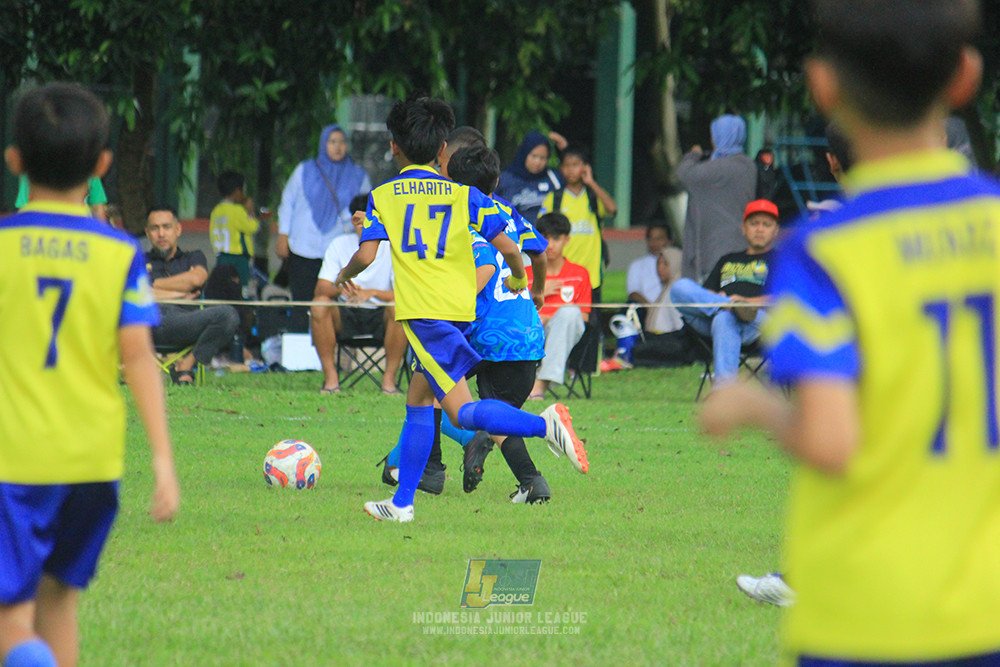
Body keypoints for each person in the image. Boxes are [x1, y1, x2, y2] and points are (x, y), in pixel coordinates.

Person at [702, 0, 1000, 663]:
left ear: (823, 86)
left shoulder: (825, 252)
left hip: (862, 611)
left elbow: (831, 442)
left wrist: (752, 404)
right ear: (966, 76)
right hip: (986, 607)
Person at [334, 96, 588, 523]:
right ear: (441, 150)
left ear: (394, 147)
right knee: (419, 400)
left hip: (426, 316)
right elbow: (513, 249)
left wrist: (344, 274)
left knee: (462, 412)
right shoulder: (463, 195)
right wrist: (522, 280)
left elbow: (366, 255)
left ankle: (546, 425)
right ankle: (402, 503)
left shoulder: (383, 196)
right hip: (454, 313)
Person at [0, 82, 179, 667]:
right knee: (58, 606)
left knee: (9, 624)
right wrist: (162, 460)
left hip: (14, 460)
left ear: (14, 161)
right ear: (102, 166)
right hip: (92, 463)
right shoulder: (119, 253)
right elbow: (138, 358)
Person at [669, 199, 778, 388]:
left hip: (759, 322)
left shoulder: (782, 260)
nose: (759, 229)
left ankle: (723, 389)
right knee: (680, 287)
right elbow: (706, 293)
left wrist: (745, 303)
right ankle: (729, 306)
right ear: (744, 228)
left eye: (766, 225)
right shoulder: (727, 259)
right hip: (714, 315)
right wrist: (723, 301)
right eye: (754, 224)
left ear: (775, 231)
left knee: (725, 319)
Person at [276, 124, 371, 332]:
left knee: (332, 302)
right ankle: (300, 345)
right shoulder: (305, 170)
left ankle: (328, 345)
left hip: (338, 250)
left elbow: (366, 210)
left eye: (342, 142)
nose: (338, 147)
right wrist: (283, 234)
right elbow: (288, 202)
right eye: (332, 141)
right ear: (323, 144)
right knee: (302, 302)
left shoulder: (358, 176)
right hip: (303, 246)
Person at [311, 193, 405, 395]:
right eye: (358, 221)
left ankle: (389, 381)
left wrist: (371, 293)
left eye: (367, 220)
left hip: (381, 315)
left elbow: (404, 294)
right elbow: (321, 289)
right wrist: (344, 289)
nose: (362, 226)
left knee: (400, 308)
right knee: (319, 305)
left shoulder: (392, 246)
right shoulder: (338, 244)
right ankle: (331, 379)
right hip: (346, 313)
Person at [145, 206, 240, 384]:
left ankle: (186, 365)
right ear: (147, 233)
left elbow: (197, 279)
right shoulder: (138, 259)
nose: (161, 234)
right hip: (146, 324)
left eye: (166, 227)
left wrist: (153, 284)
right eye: (155, 228)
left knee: (228, 315)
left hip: (184, 323)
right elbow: (134, 293)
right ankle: (136, 369)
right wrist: (179, 294)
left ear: (178, 229)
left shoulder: (193, 257)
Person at [676, 114, 757, 283]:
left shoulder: (716, 169)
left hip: (714, 252)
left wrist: (694, 154)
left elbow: (684, 173)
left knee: (713, 296)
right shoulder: (748, 166)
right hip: (743, 248)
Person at [527, 212, 592, 400]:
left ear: (567, 240)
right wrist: (538, 292)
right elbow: (514, 313)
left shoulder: (580, 274)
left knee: (570, 312)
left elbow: (584, 317)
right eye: (545, 238)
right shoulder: (526, 274)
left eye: (556, 238)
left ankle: (541, 384)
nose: (550, 245)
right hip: (531, 332)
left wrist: (551, 319)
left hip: (566, 334)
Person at [538, 143, 616, 296]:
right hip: (563, 274)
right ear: (561, 169)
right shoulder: (554, 199)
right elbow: (542, 230)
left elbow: (612, 209)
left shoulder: (593, 196)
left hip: (592, 275)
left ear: (586, 167)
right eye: (567, 165)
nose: (571, 170)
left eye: (575, 165)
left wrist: (591, 183)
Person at [494, 130, 563, 223]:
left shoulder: (553, 178)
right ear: (524, 154)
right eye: (534, 156)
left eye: (542, 158)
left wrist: (565, 148)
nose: (537, 162)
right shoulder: (505, 179)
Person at [209, 170, 259, 292]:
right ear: (237, 191)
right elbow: (252, 227)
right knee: (241, 290)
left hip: (221, 256)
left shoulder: (216, 211)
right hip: (238, 257)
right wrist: (250, 211)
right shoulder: (237, 211)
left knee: (223, 288)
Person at [15, 173, 108, 222]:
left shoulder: (88, 168)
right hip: (43, 234)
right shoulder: (32, 170)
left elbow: (98, 210)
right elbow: (24, 210)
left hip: (81, 233)